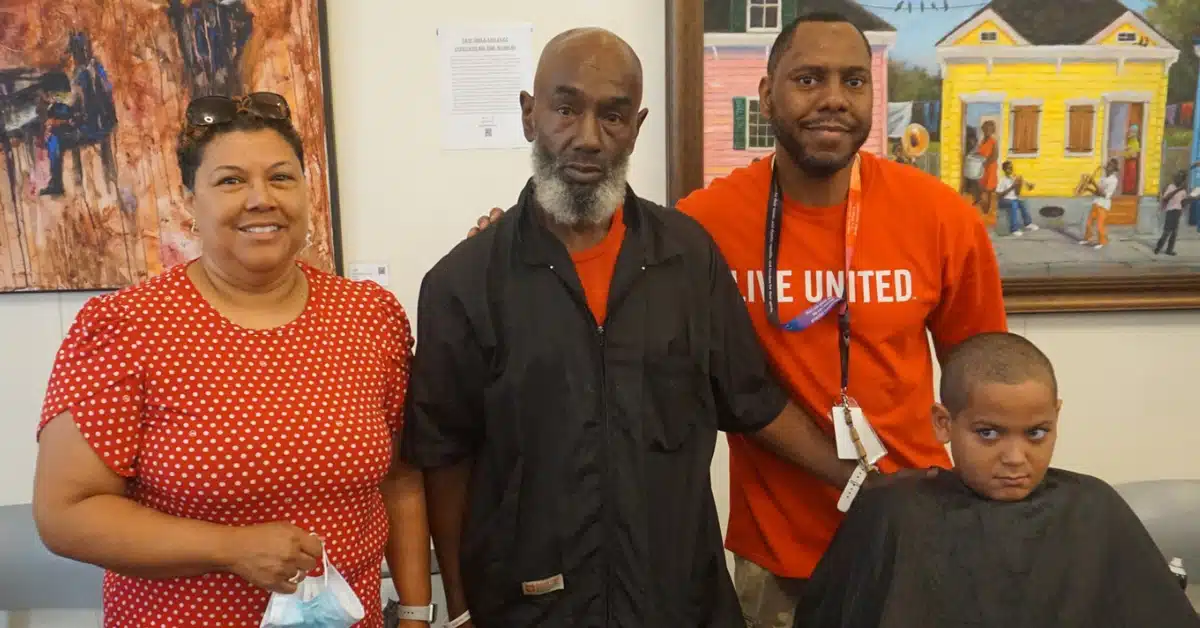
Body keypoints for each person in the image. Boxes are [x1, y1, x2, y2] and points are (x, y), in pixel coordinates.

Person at [465, 14, 1007, 627]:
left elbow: (989, 385)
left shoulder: (941, 217)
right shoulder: (704, 227)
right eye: (809, 79)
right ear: (767, 95)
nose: (833, 98)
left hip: (914, 541)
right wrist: (510, 242)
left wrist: (983, 513)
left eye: (854, 81)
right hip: (772, 562)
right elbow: (601, 252)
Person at [32, 92, 433, 628]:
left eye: (282, 178)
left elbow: (401, 480)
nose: (261, 198)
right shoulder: (126, 327)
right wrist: (229, 548)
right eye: (230, 181)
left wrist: (413, 613)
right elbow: (66, 514)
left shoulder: (369, 316)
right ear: (188, 201)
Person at [794, 331, 1200, 628]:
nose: (1015, 458)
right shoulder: (893, 512)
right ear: (944, 423)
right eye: (988, 433)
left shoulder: (1093, 506)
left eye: (1037, 433)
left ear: (1056, 416)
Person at [1082, 158, 1119, 250]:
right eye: (1108, 165)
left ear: (1114, 169)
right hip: (1096, 202)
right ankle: (1088, 239)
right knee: (1088, 223)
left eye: (1110, 166)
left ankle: (1102, 242)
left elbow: (1105, 194)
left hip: (1104, 205)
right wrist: (1088, 188)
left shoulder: (1114, 180)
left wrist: (1093, 183)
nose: (1107, 167)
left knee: (1100, 225)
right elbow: (1097, 192)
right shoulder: (1102, 178)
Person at [995, 161, 1037, 236]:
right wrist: (1012, 187)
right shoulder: (1002, 180)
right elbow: (998, 195)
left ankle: (1028, 224)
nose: (1010, 170)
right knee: (1013, 204)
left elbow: (1017, 193)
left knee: (1022, 202)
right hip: (1003, 201)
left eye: (1011, 168)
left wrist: (1022, 184)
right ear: (1004, 169)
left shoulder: (1013, 178)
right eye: (1008, 168)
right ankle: (1014, 229)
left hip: (1013, 199)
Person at [1156, 170, 1187, 256]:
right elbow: (1166, 198)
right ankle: (1158, 247)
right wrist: (1178, 190)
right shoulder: (1171, 187)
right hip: (1170, 211)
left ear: (1183, 180)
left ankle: (1169, 250)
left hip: (1177, 212)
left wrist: (1191, 199)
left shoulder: (1183, 191)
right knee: (1166, 232)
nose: (1178, 179)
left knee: (1174, 233)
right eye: (1177, 177)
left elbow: (1183, 203)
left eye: (1180, 178)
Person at [974, 120, 999, 213]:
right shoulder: (983, 140)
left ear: (992, 130)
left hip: (990, 167)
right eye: (985, 129)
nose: (987, 131)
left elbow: (995, 156)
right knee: (980, 185)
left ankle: (987, 209)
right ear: (983, 129)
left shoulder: (993, 141)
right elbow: (982, 151)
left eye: (989, 129)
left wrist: (986, 163)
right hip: (983, 166)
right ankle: (979, 200)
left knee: (989, 188)